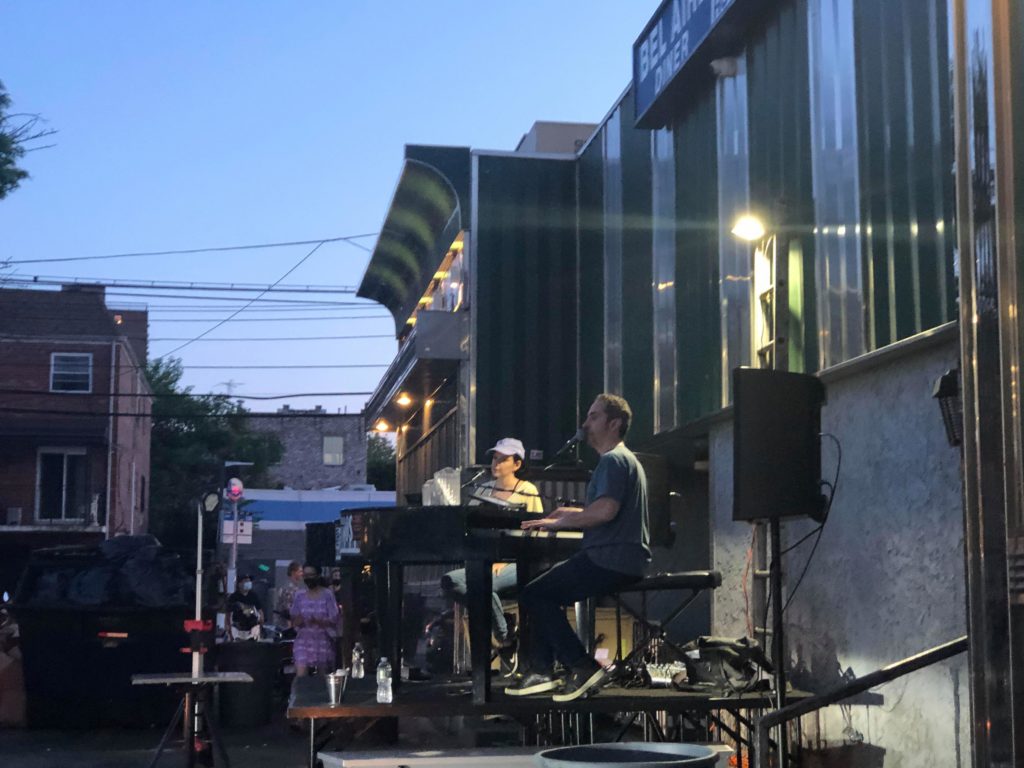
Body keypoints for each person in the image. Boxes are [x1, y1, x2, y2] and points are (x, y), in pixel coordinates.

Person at [506, 394, 649, 702]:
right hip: (619, 556)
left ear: (614, 423)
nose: (585, 424)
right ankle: (542, 671)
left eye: (593, 417)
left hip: (611, 558)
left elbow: (605, 512)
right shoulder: (622, 461)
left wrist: (562, 523)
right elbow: (602, 509)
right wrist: (565, 515)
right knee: (543, 592)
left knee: (534, 594)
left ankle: (581, 667)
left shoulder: (613, 460)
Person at [441, 437, 544, 645]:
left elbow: (536, 529)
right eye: (495, 458)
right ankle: (505, 628)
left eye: (503, 459)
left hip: (517, 561)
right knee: (450, 581)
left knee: (480, 583)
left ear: (517, 464)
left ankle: (503, 636)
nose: (496, 463)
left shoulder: (527, 490)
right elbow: (469, 525)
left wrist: (504, 561)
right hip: (483, 559)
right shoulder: (482, 490)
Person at [291, 565, 340, 676]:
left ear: (317, 576)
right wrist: (298, 620)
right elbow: (294, 617)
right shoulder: (299, 595)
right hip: (304, 639)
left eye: (311, 575)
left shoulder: (327, 594)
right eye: (306, 575)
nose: (308, 578)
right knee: (301, 675)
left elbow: (334, 618)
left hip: (323, 639)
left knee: (322, 677)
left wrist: (318, 621)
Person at [227, 574, 264, 640]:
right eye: (246, 581)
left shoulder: (253, 596)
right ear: (239, 584)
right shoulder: (234, 597)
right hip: (237, 628)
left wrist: (261, 625)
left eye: (249, 581)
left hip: (252, 628)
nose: (248, 583)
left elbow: (259, 611)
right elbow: (228, 614)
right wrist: (228, 628)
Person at [274, 561, 304, 630]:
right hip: (286, 627)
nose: (302, 574)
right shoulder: (288, 589)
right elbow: (288, 611)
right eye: (300, 571)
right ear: (293, 573)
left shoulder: (296, 588)